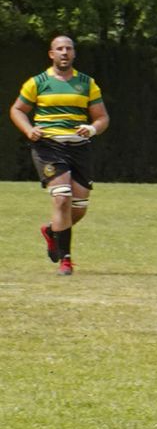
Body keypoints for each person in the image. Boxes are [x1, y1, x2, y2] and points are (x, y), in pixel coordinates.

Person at [9, 35, 110, 277]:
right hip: (49, 147)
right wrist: (29, 129)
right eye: (59, 49)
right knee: (62, 198)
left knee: (80, 206)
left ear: (74, 54)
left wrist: (93, 128)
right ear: (51, 54)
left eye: (68, 48)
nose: (64, 52)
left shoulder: (87, 83)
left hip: (79, 147)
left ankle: (52, 231)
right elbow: (17, 110)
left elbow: (102, 117)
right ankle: (66, 260)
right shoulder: (37, 82)